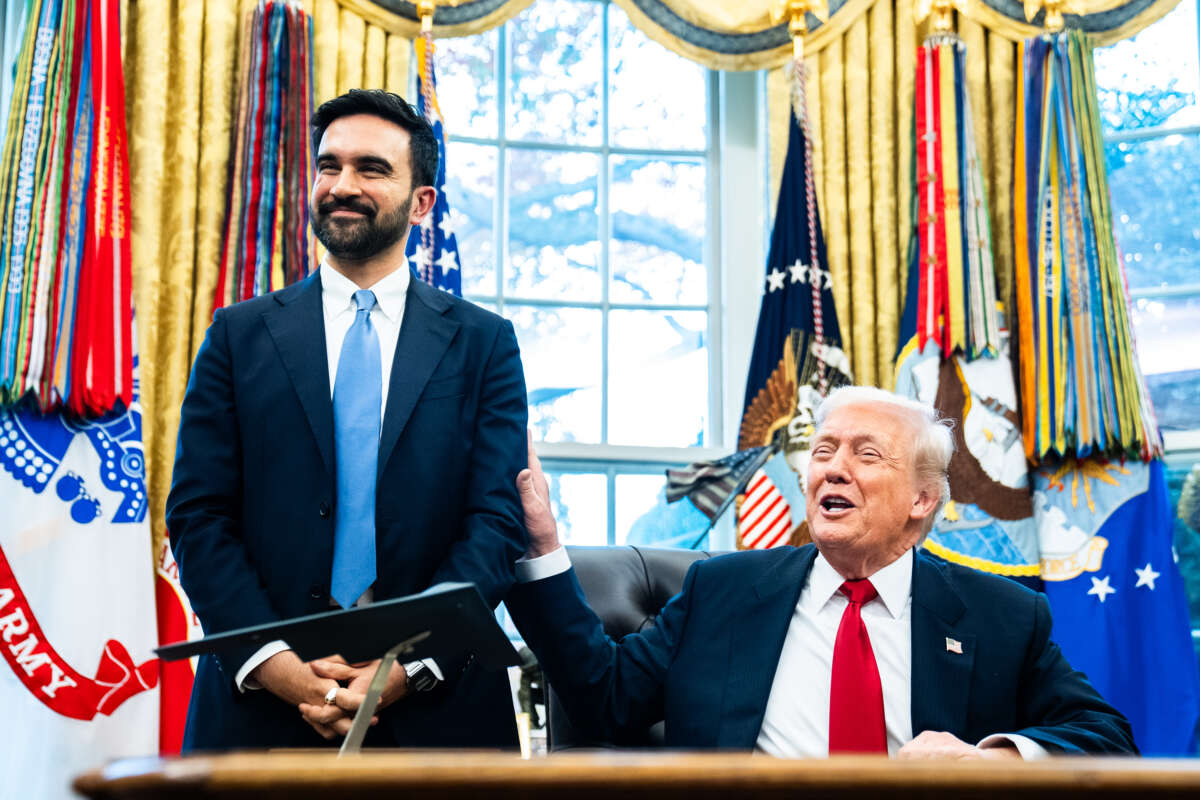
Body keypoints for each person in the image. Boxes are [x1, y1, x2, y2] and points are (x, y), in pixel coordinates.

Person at [166, 89, 527, 751]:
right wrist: (277, 666)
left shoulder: (485, 344)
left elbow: (498, 521)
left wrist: (405, 669)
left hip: (437, 715)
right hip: (257, 715)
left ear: (422, 202)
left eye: (371, 168)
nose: (341, 185)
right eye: (328, 166)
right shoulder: (236, 336)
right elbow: (197, 514)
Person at [507, 386, 1136, 757]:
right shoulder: (723, 591)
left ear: (922, 499)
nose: (833, 469)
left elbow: (1107, 735)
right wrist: (542, 546)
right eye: (823, 452)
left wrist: (996, 758)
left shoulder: (1001, 615)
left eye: (866, 455)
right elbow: (604, 697)